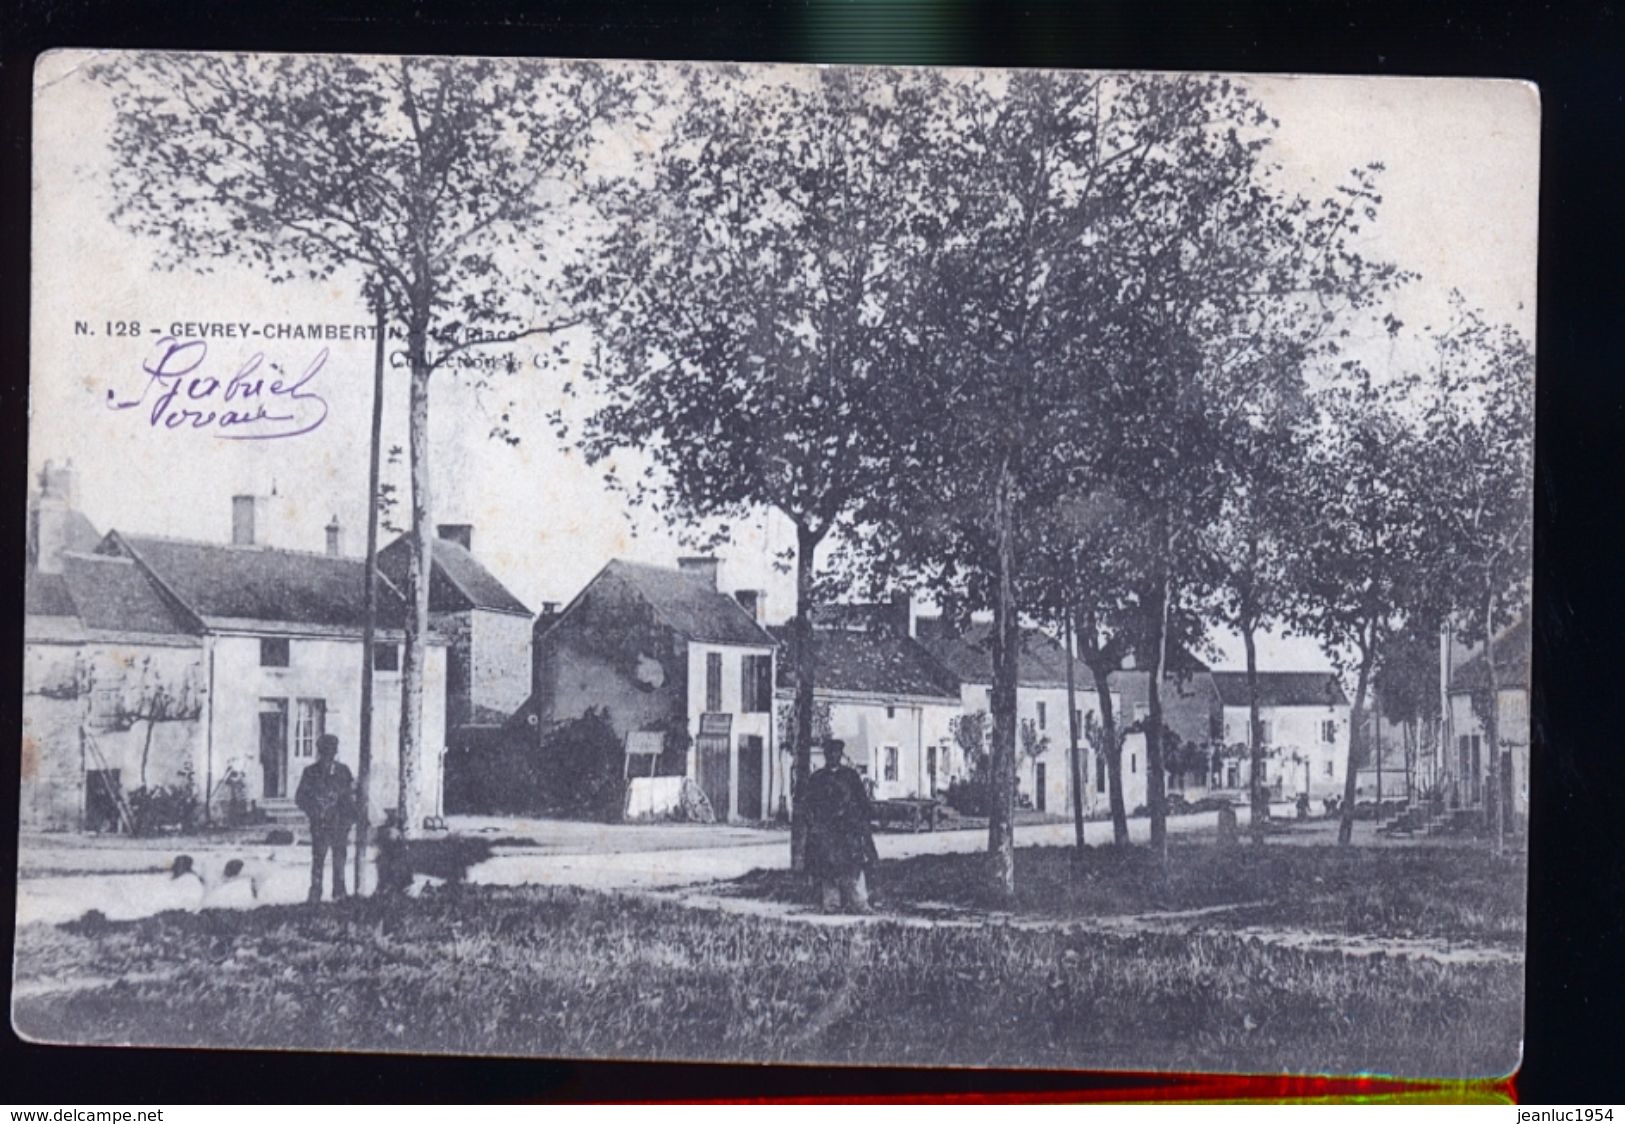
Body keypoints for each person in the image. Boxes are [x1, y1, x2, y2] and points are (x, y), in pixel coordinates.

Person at [802, 738, 879, 913]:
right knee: (828, 866)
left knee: (854, 864)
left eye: (836, 752)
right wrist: (814, 825)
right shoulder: (817, 778)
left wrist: (863, 820)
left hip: (848, 829)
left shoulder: (850, 776)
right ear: (825, 755)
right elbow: (809, 805)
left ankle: (860, 903)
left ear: (841, 754)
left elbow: (862, 801)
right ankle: (832, 904)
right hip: (827, 830)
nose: (833, 756)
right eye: (829, 753)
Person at [295, 733, 357, 902]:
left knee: (339, 859)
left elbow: (350, 797)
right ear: (320, 752)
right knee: (318, 859)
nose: (328, 755)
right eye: (325, 752)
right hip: (320, 824)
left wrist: (350, 819)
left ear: (335, 752)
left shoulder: (344, 771)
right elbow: (300, 797)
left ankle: (339, 892)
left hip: (339, 825)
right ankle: (315, 893)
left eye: (332, 752)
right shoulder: (310, 772)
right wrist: (314, 810)